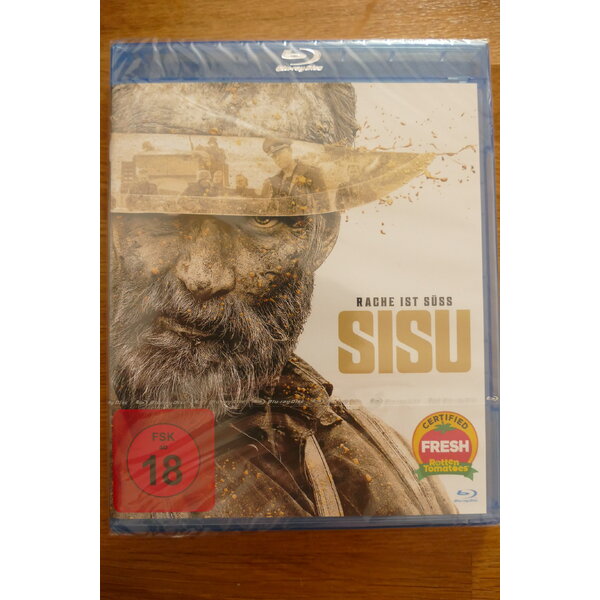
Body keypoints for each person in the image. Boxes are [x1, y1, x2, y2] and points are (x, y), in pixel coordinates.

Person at [110, 82, 456, 518]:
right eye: (161, 210)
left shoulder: (380, 470)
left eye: (262, 218)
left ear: (322, 235)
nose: (202, 275)